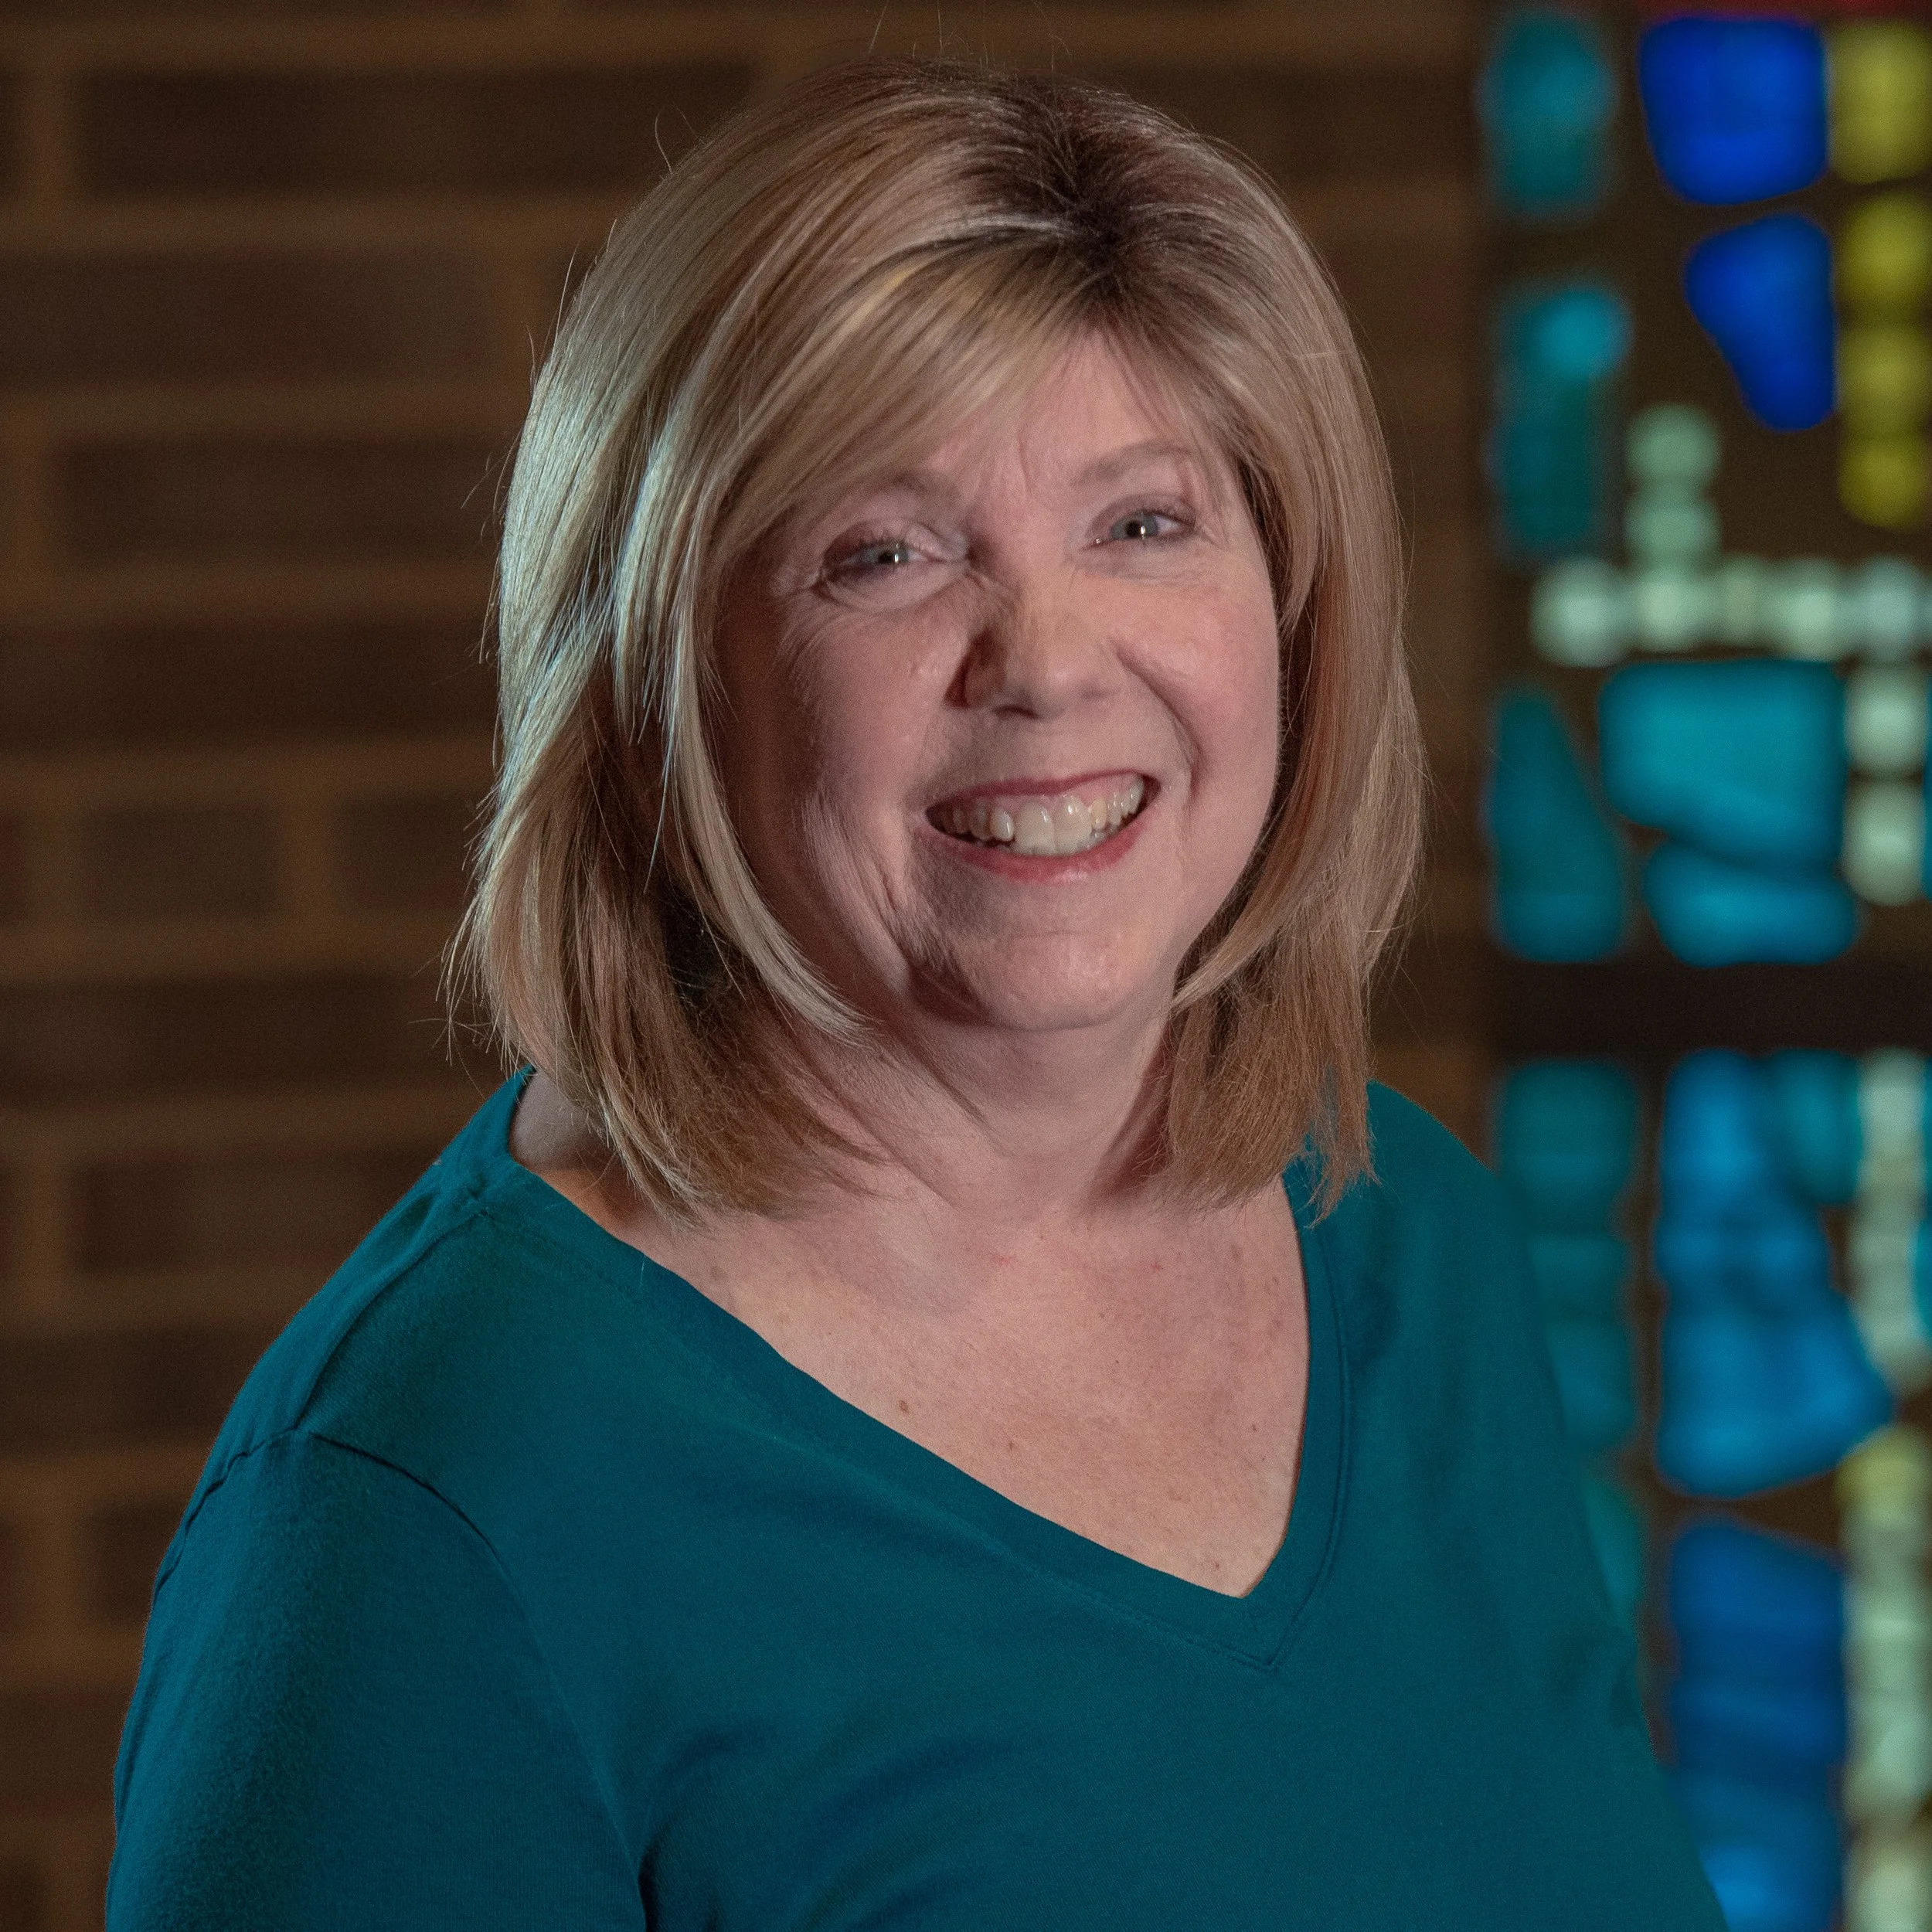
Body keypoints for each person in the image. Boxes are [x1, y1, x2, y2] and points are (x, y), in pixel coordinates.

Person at [107, 59, 1725, 1929]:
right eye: (884, 552)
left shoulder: (1400, 1237)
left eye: (1143, 522)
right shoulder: (423, 1507)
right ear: (653, 687)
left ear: (1290, 601)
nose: (1043, 663)